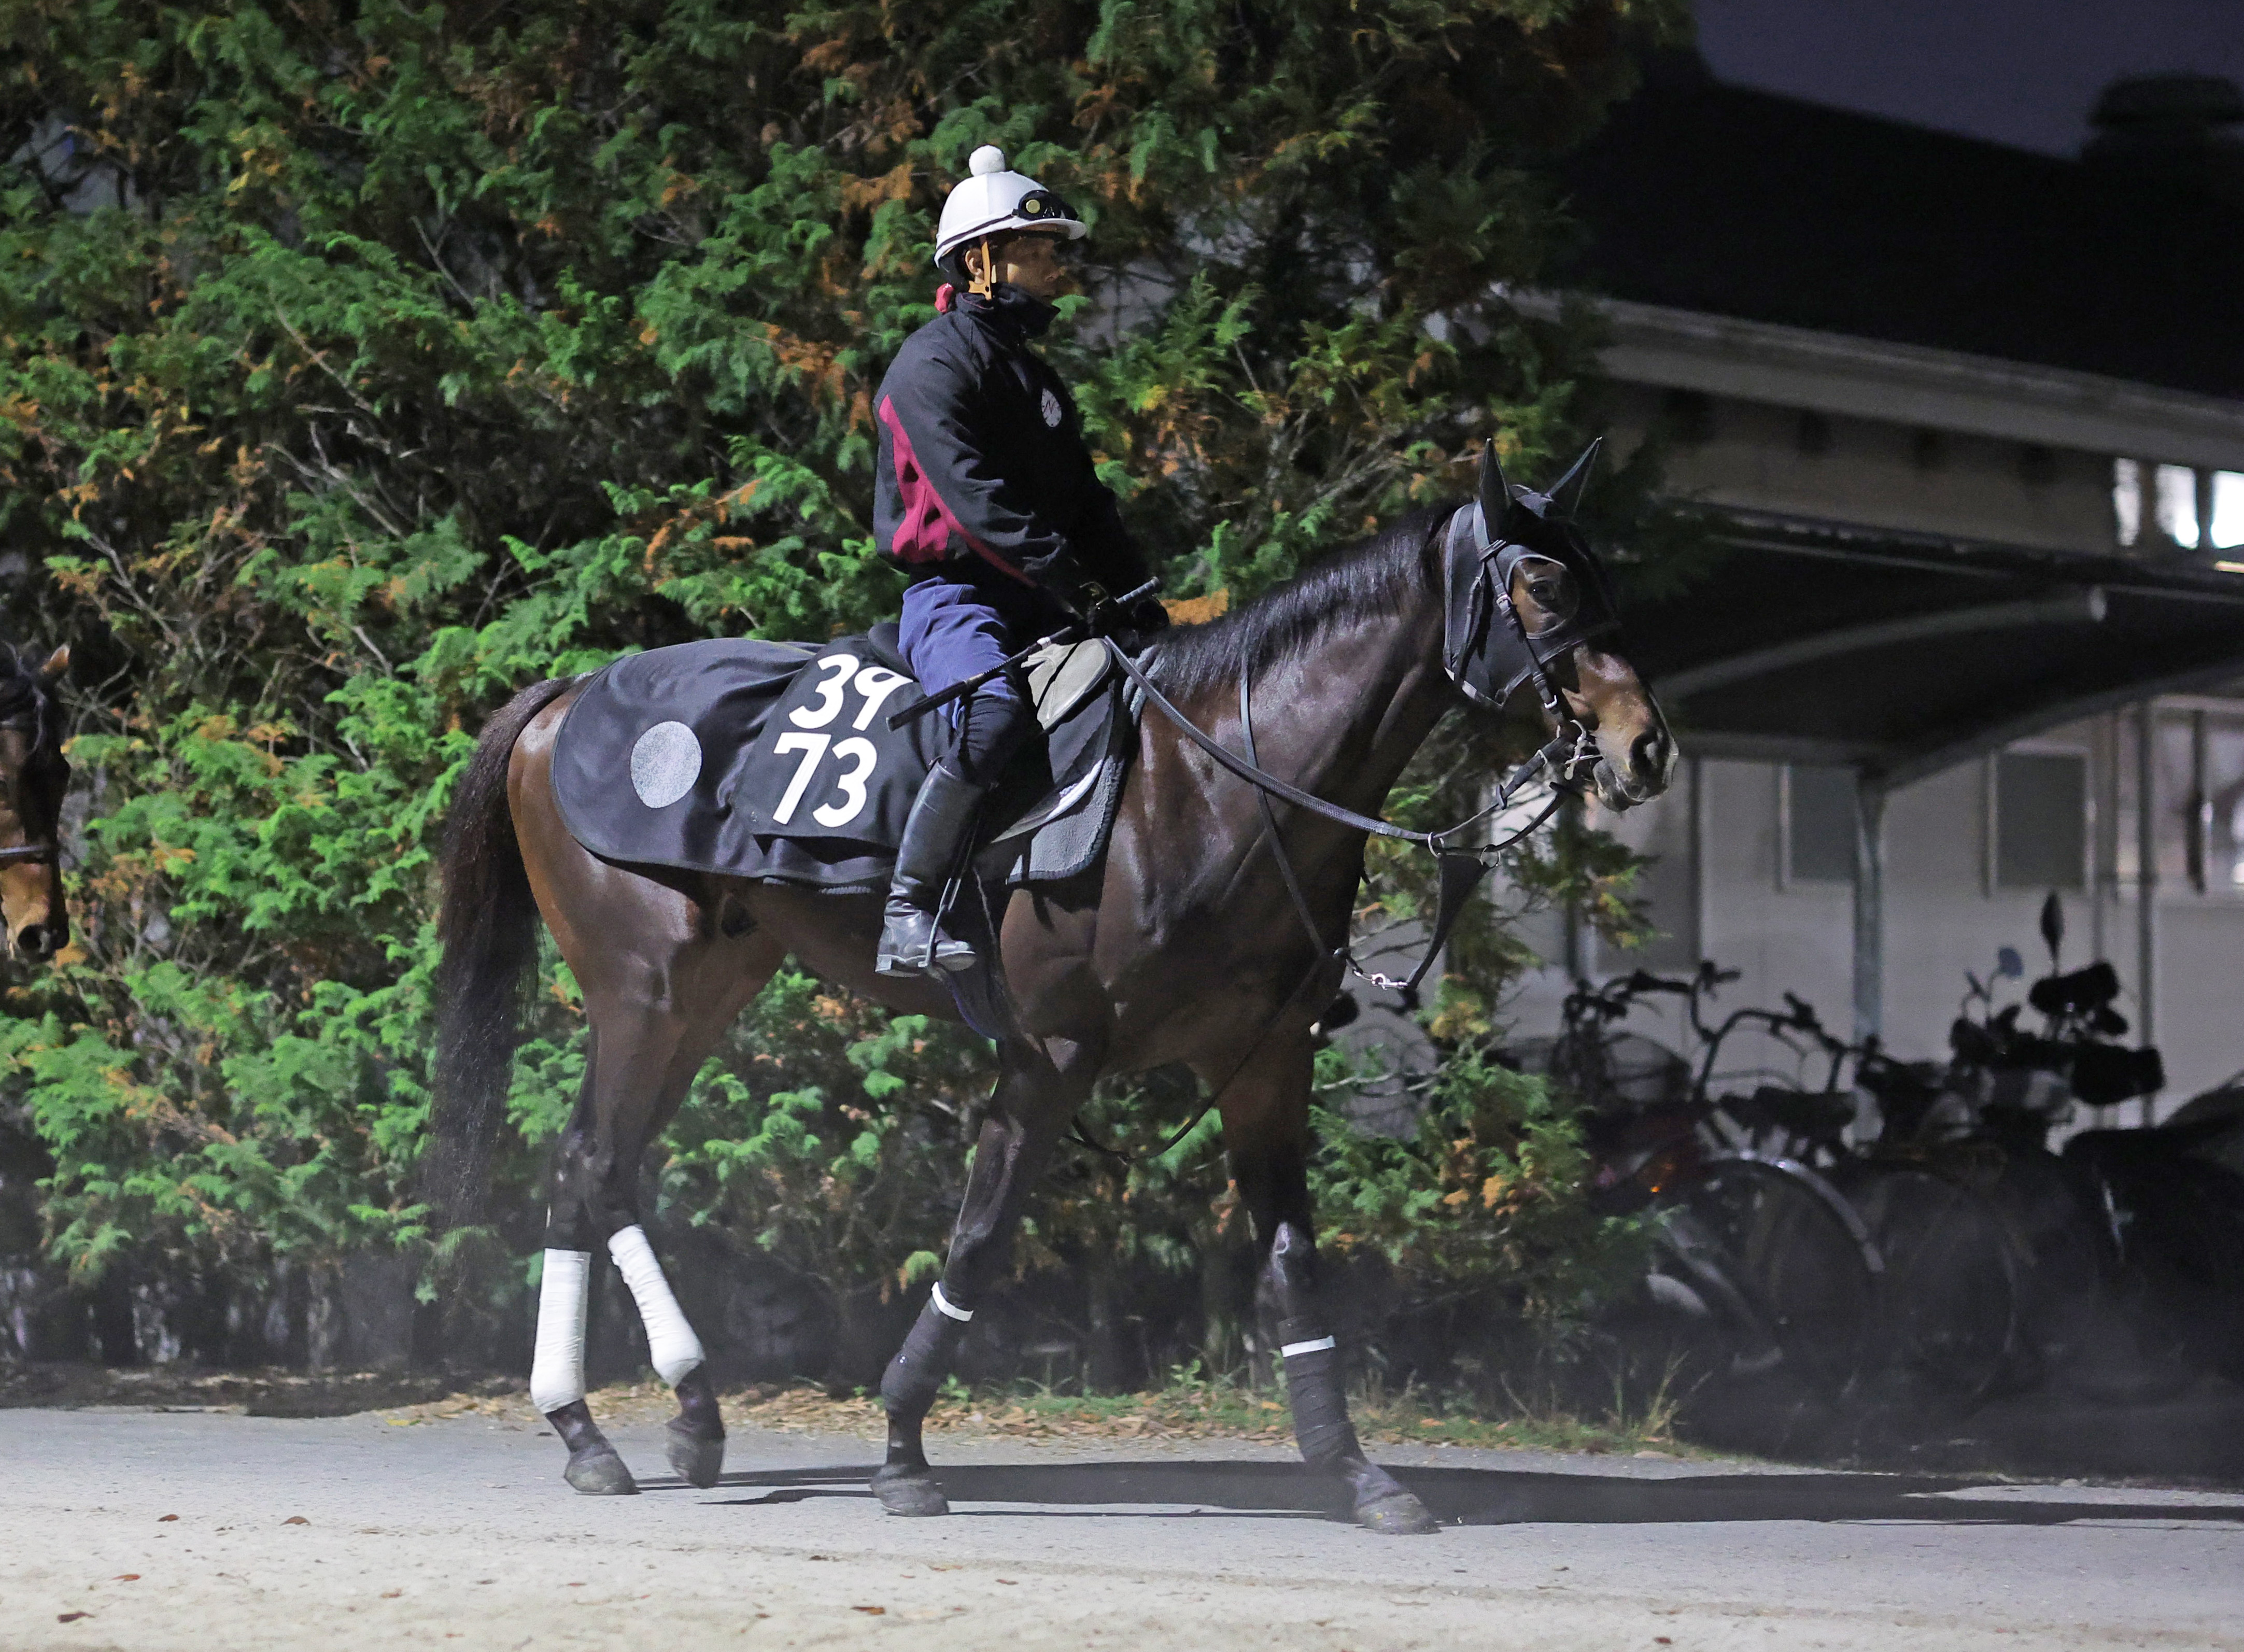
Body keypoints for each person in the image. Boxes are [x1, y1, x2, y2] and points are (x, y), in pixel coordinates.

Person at [871, 145, 1166, 977]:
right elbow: (977, 506)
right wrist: (1078, 589)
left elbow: (1087, 504)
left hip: (1044, 595)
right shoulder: (929, 365)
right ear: (980, 261)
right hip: (958, 596)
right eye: (1038, 254)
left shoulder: (1033, 376)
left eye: (1054, 254)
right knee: (993, 714)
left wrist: (1140, 601)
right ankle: (909, 908)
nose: (1056, 271)